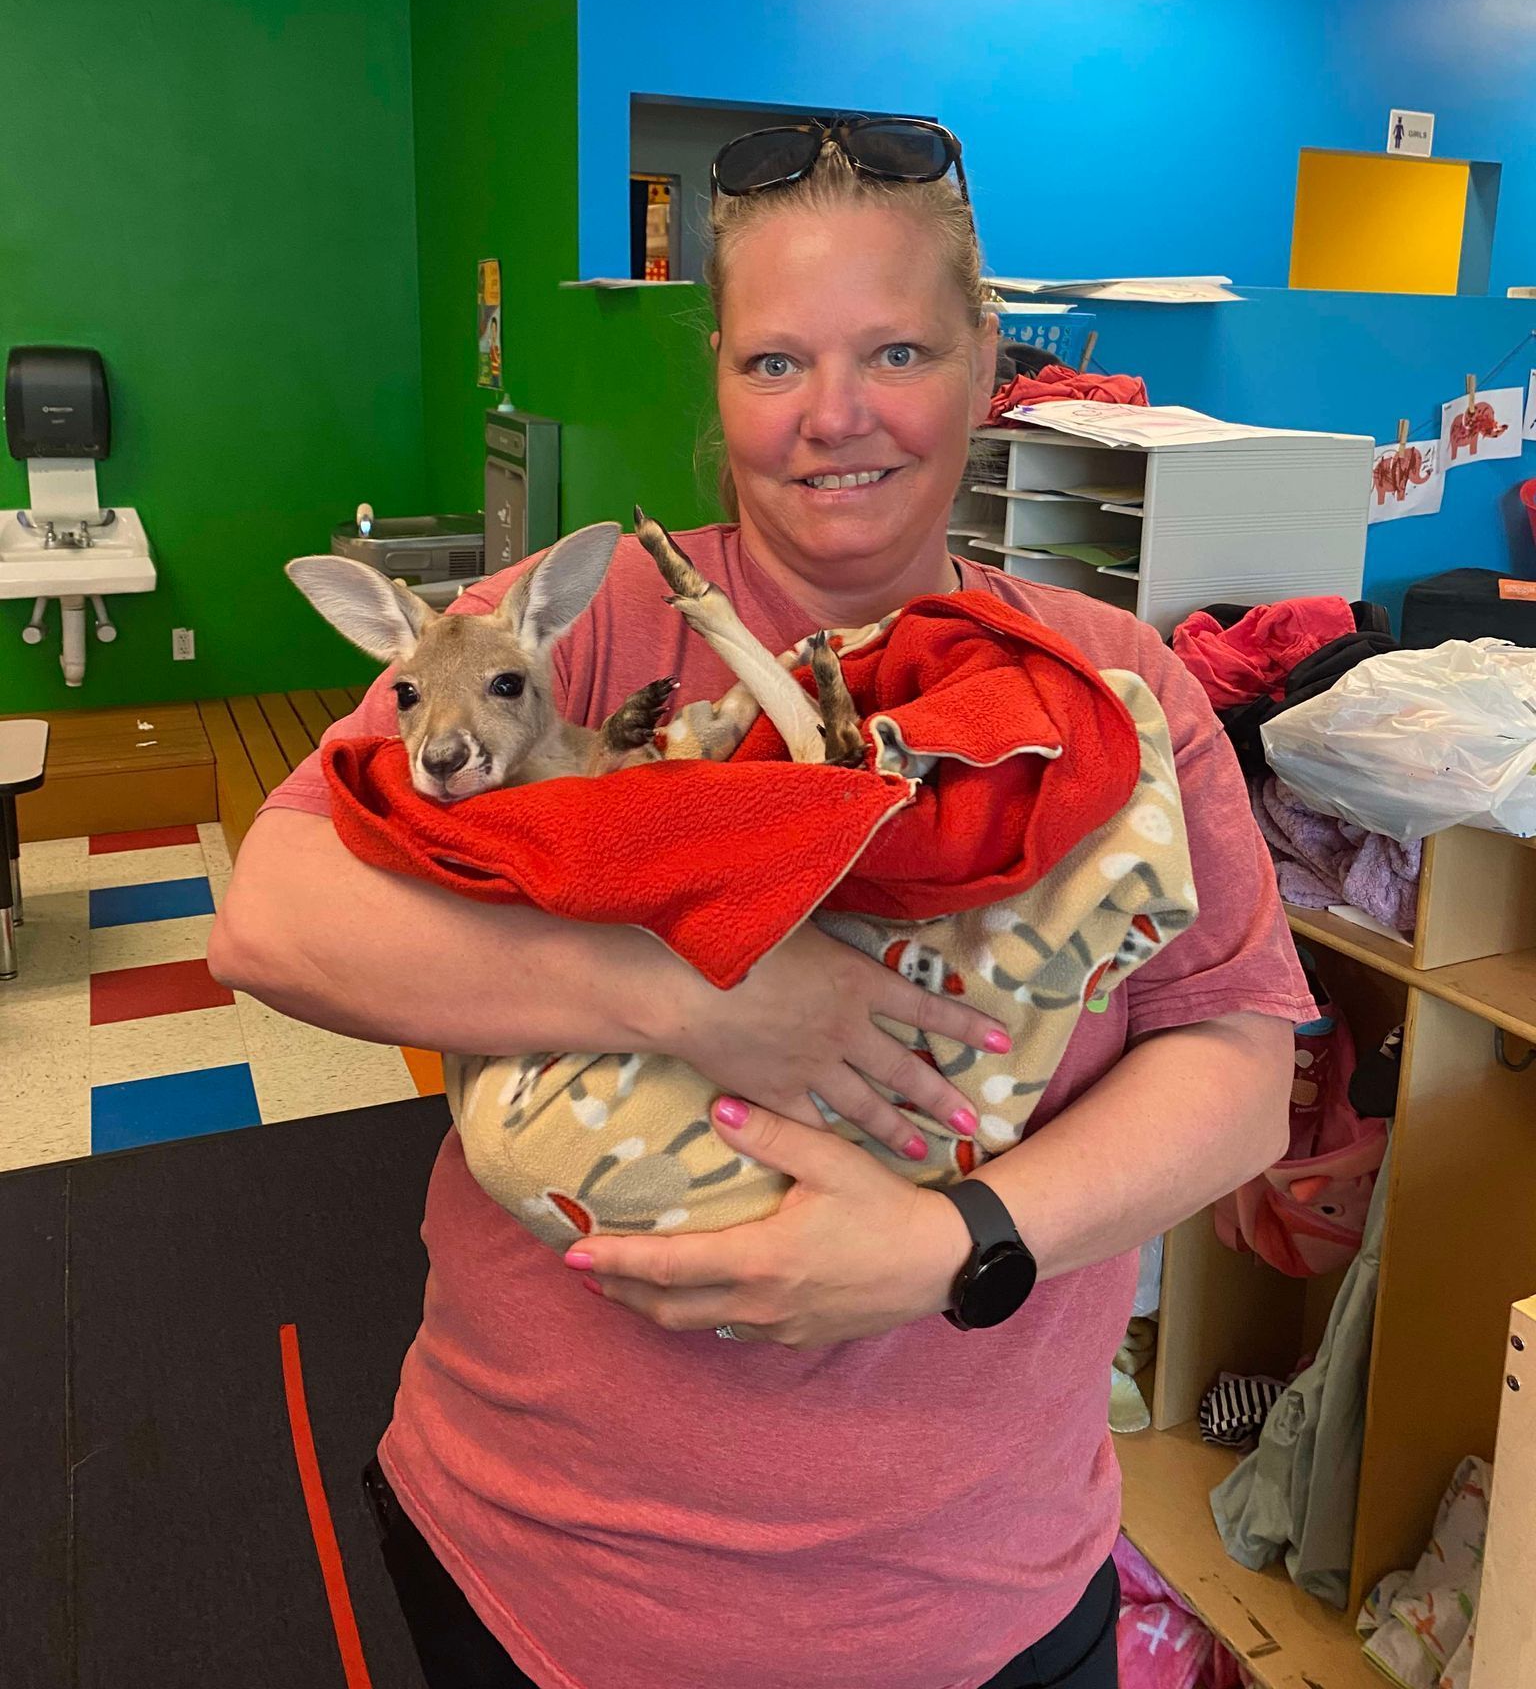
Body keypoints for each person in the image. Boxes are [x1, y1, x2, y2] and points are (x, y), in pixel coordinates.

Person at [211, 116, 1308, 1689]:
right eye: (777, 362)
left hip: (970, 1593)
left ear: (989, 368)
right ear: (719, 380)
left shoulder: (1111, 684)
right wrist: (693, 995)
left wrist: (954, 1244)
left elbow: (1239, 1066)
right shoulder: (579, 629)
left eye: (898, 353)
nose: (835, 416)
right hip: (551, 1567)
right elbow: (273, 912)